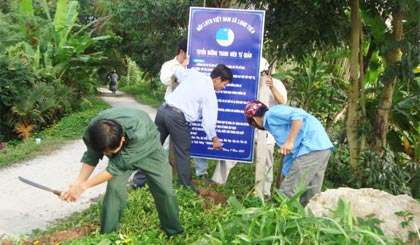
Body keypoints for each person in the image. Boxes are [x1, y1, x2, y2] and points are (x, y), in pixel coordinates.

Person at [60, 107, 184, 236]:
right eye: (104, 153)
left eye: (109, 153)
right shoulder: (94, 131)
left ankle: (175, 232)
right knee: (114, 188)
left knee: (164, 189)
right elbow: (91, 156)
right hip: (122, 151)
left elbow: (115, 168)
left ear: (122, 140)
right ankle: (108, 235)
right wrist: (77, 184)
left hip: (148, 148)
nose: (106, 155)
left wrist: (83, 187)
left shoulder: (138, 131)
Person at [211, 57, 287, 199]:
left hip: (266, 132)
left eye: (263, 73)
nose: (261, 76)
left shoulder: (277, 83)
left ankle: (264, 192)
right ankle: (217, 181)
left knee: (266, 163)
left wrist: (271, 87)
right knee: (231, 153)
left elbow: (283, 102)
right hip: (246, 128)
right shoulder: (248, 81)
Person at [155, 62, 233, 189]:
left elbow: (178, 70)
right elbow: (208, 121)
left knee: (153, 146)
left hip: (162, 111)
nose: (224, 87)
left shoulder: (194, 74)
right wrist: (214, 139)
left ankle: (137, 181)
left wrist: (182, 64)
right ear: (218, 79)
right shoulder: (209, 93)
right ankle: (186, 187)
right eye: (224, 84)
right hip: (176, 118)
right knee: (183, 151)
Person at [244, 100, 334, 206]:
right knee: (310, 195)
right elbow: (290, 156)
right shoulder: (273, 125)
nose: (254, 127)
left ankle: (281, 220)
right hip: (321, 149)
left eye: (251, 125)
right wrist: (283, 177)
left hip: (310, 148)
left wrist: (289, 141)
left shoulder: (272, 113)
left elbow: (298, 114)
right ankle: (308, 221)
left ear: (253, 119)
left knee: (288, 192)